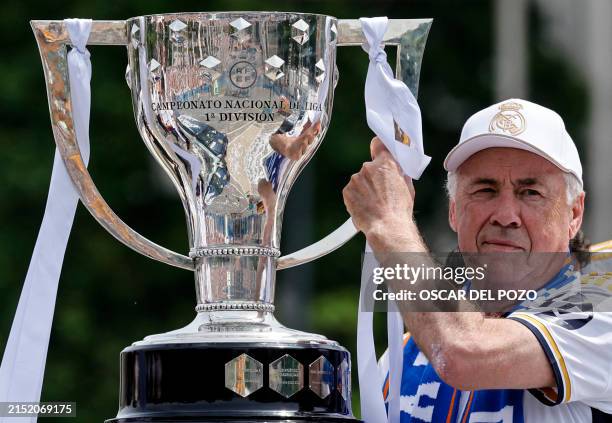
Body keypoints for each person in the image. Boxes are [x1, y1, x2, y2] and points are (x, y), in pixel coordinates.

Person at [343, 98, 612, 422]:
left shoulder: (600, 308)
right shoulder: (410, 350)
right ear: (454, 210)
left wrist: (389, 224)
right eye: (485, 190)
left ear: (574, 213)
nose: (505, 215)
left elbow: (462, 353)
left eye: (531, 193)